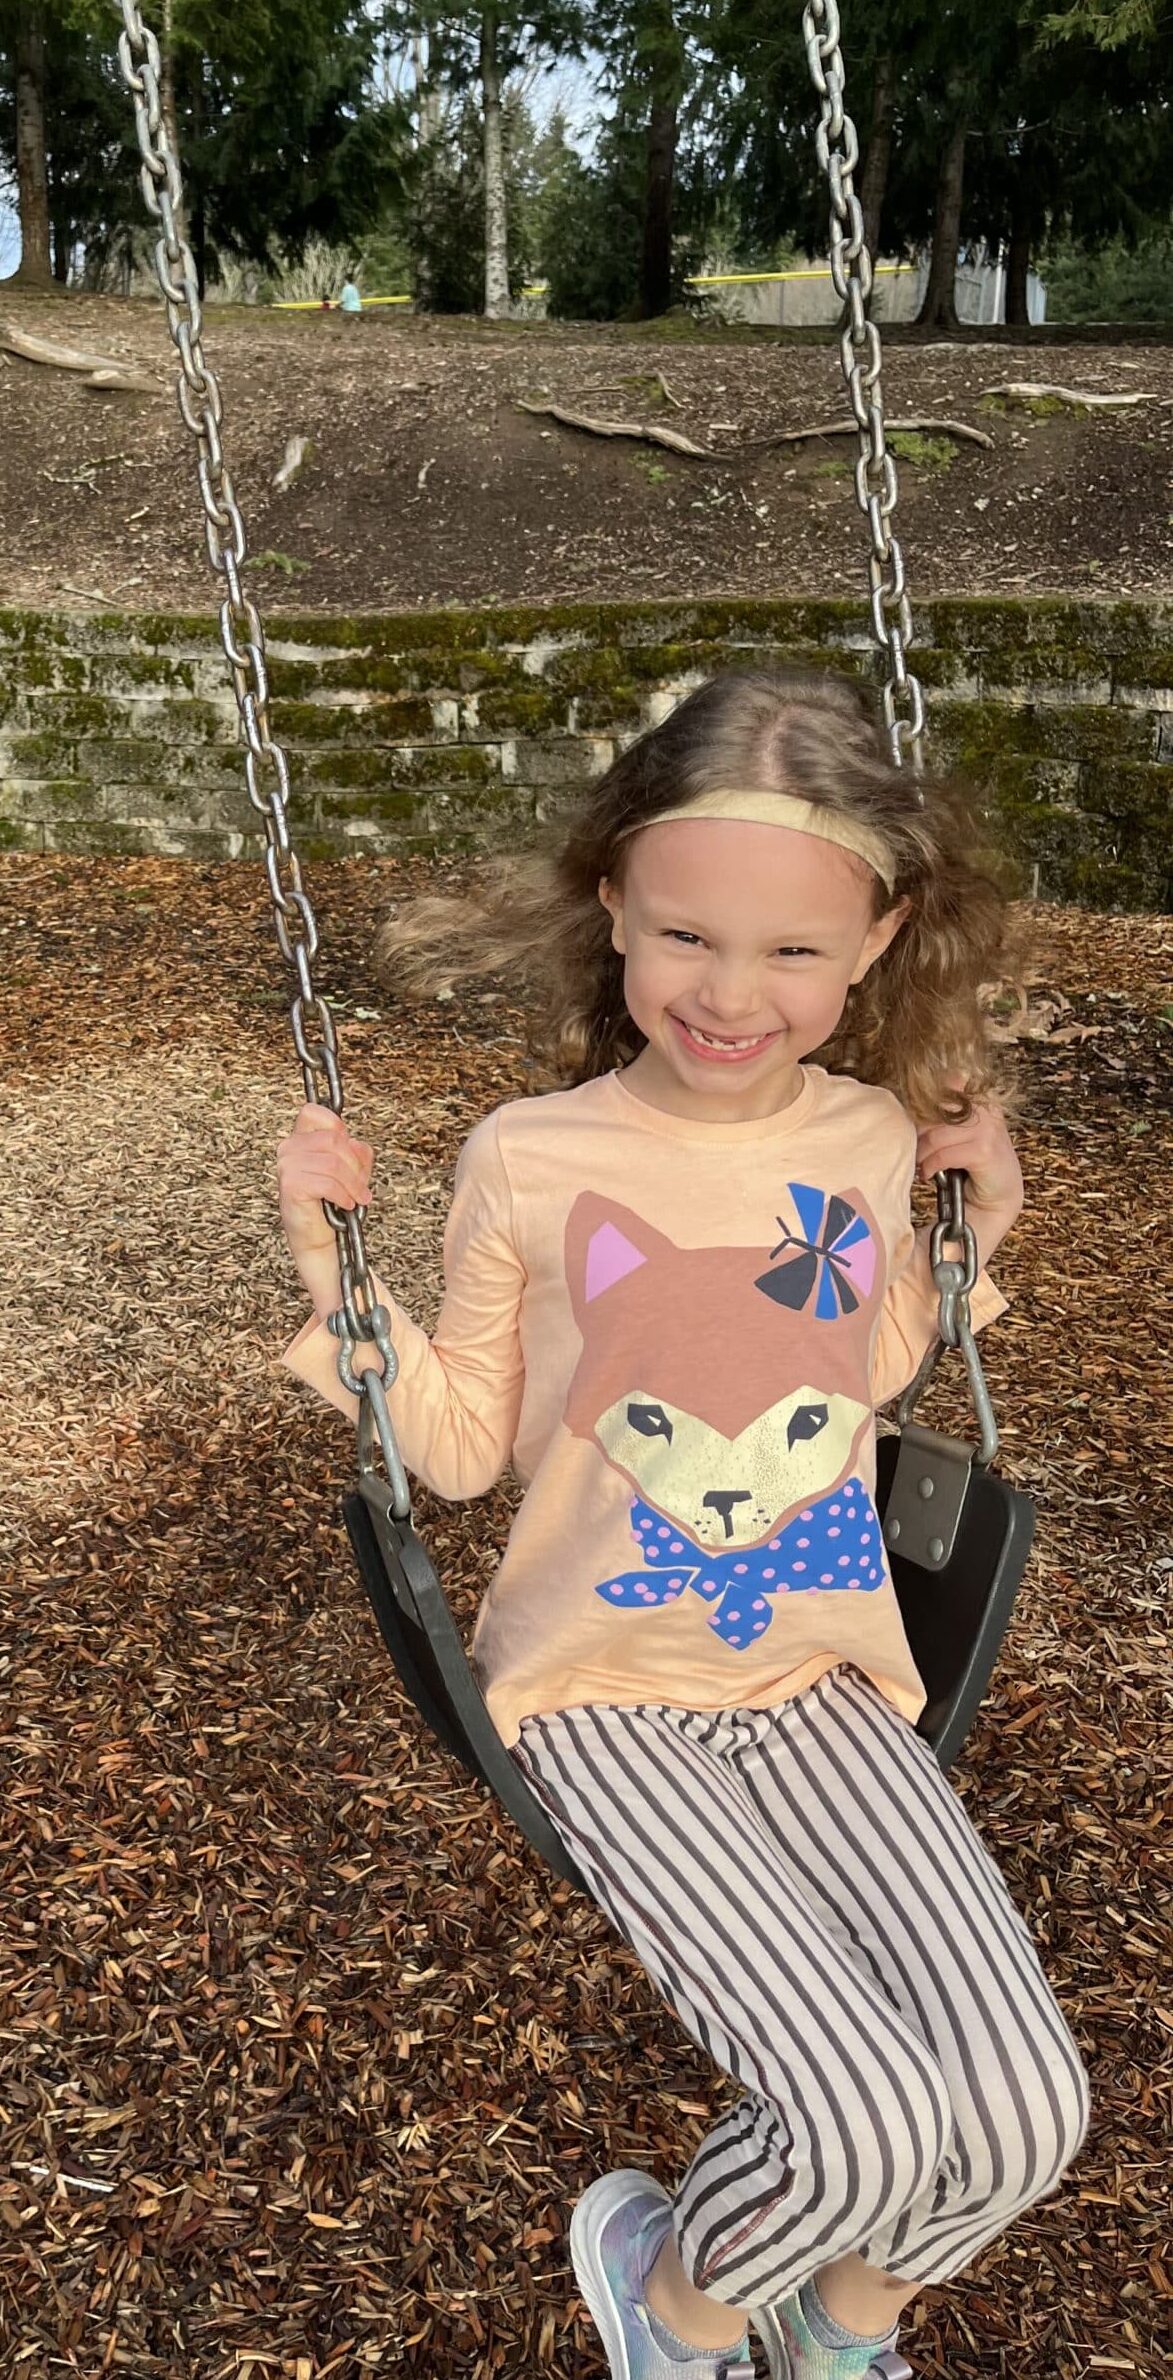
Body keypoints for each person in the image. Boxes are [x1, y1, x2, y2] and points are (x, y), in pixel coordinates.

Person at [276, 670, 1089, 2380]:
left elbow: (850, 1372)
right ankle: (677, 2302)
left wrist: (969, 1238)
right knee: (857, 2118)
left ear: (876, 941)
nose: (731, 995)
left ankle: (837, 2328)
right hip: (602, 1689)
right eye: (685, 938)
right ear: (612, 911)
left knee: (1027, 2111)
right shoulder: (531, 1156)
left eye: (792, 950)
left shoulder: (870, 1140)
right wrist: (325, 1276)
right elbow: (460, 1450)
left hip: (820, 1675)